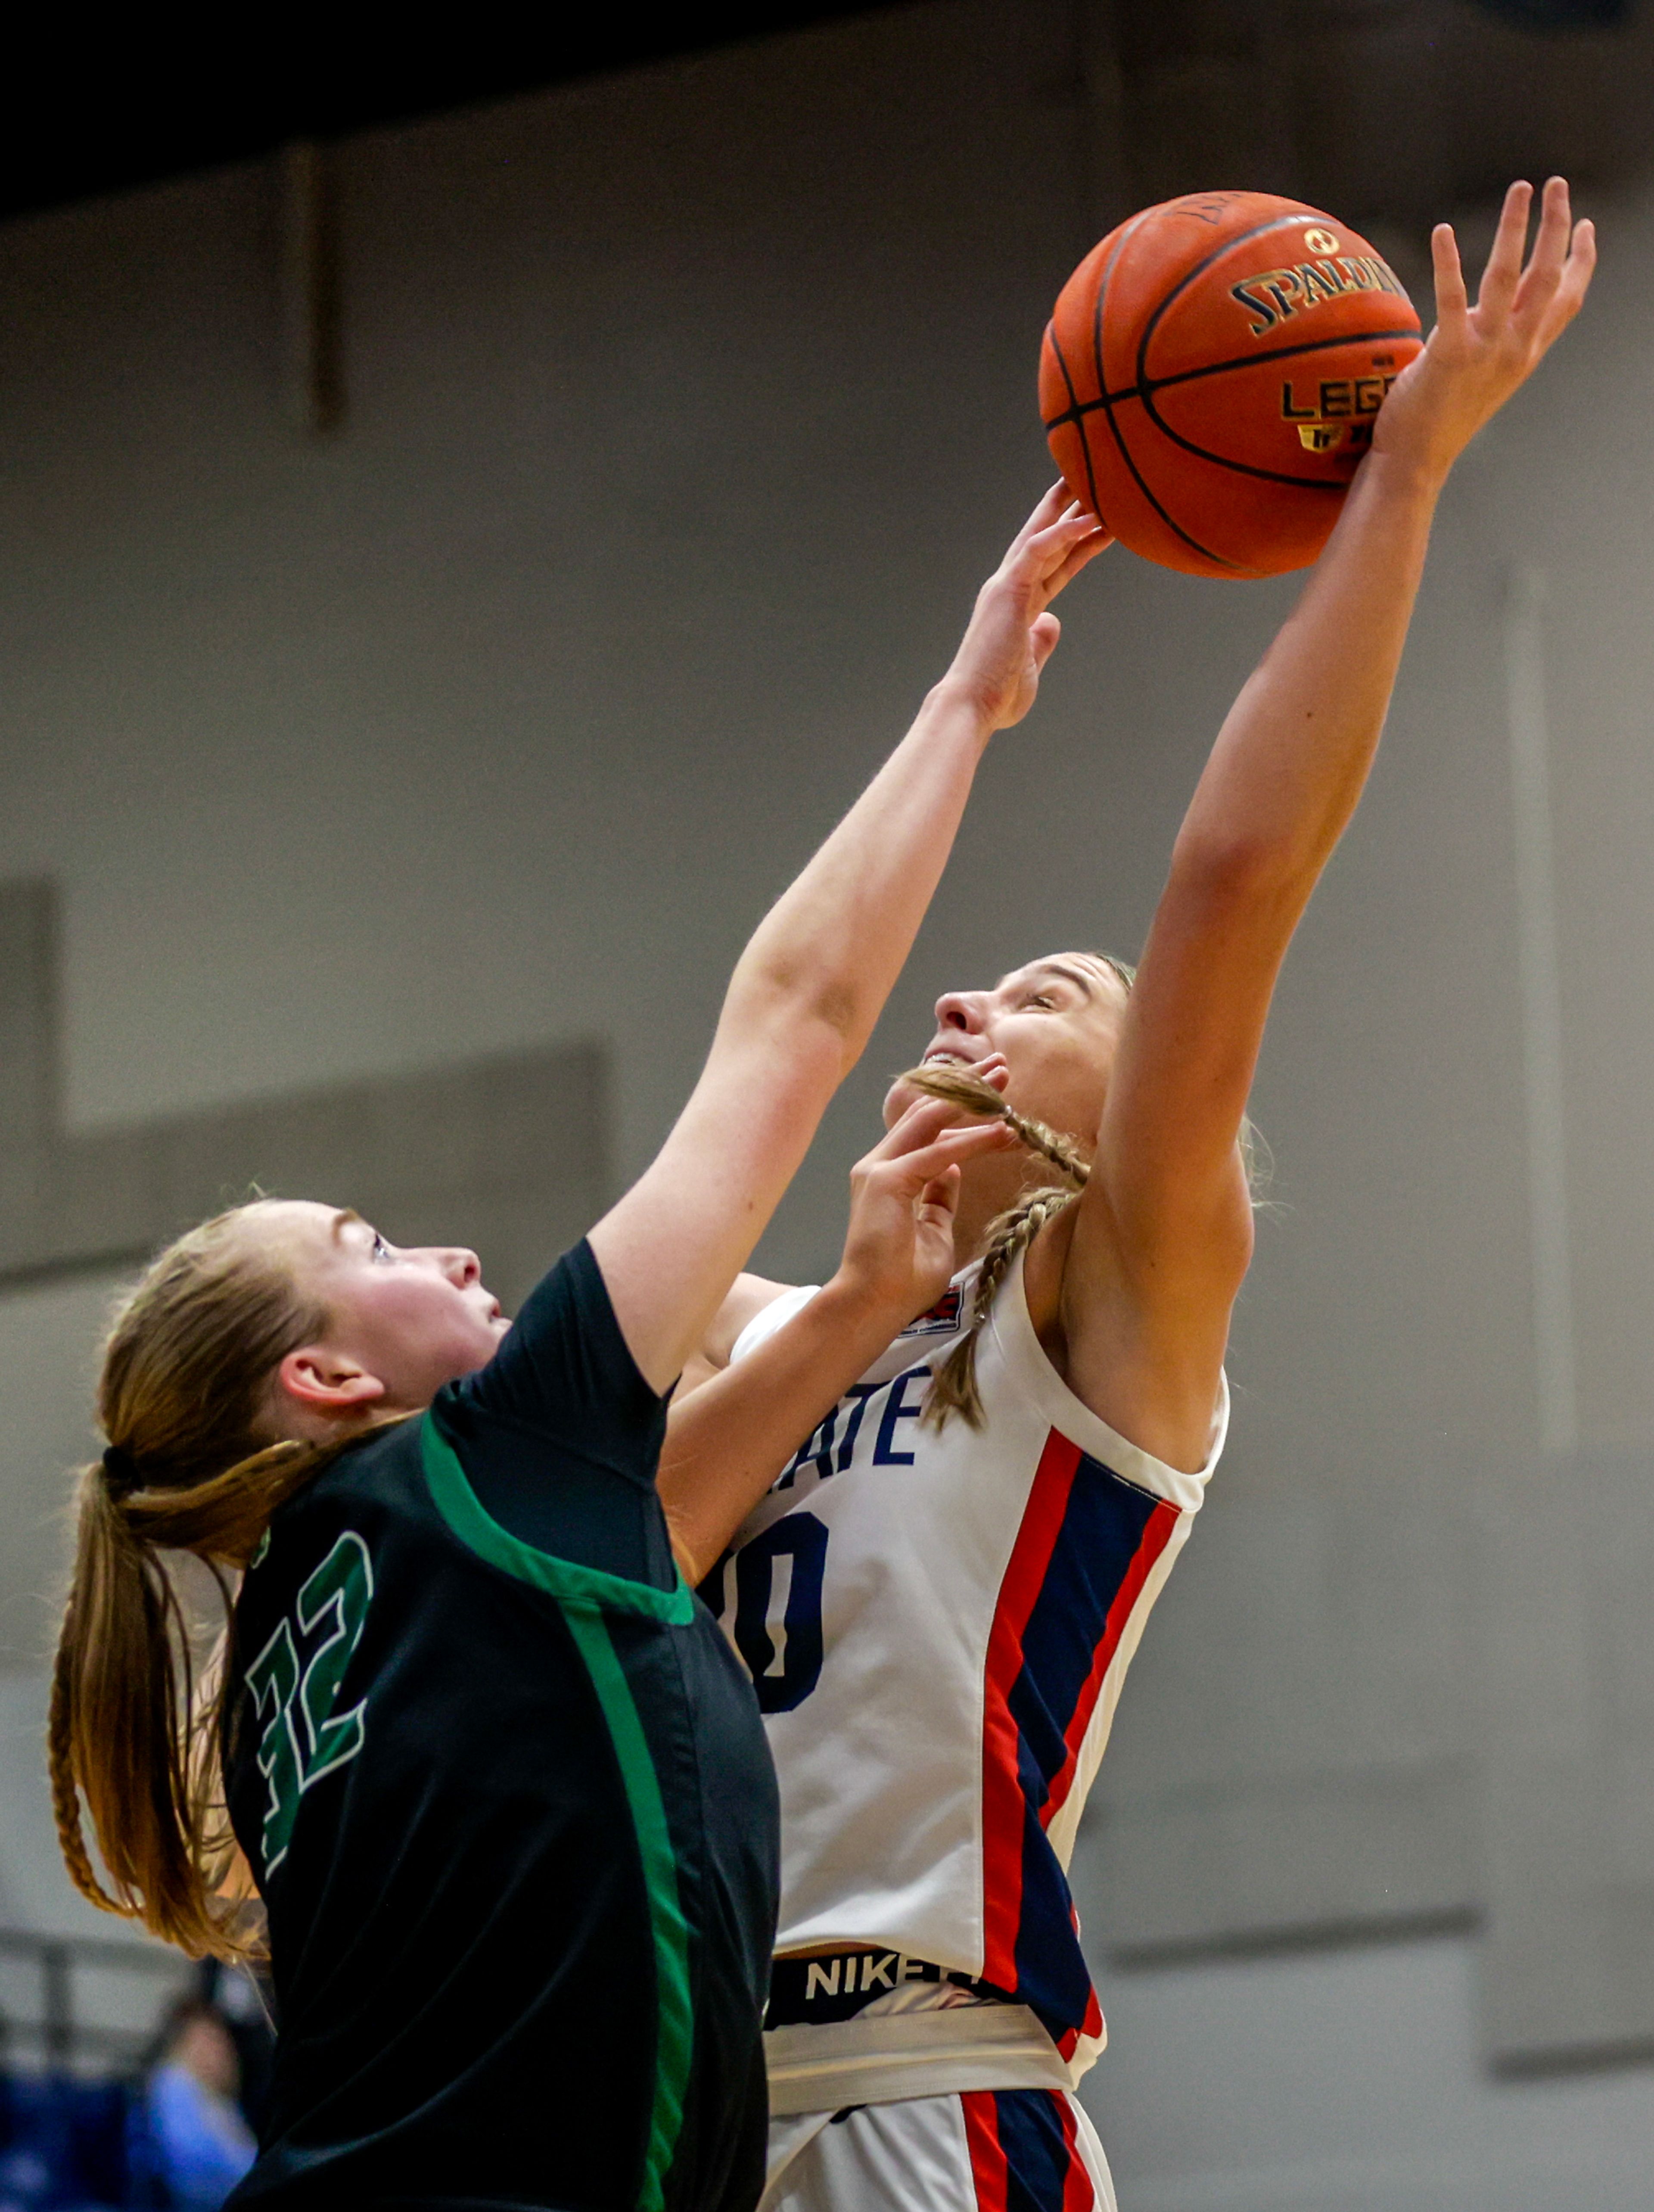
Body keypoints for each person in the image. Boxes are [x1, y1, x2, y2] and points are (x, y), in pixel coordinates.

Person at [658, 179, 1595, 2212]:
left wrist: (1403, 477)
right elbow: (766, 1042)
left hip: (930, 2083)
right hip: (673, 2113)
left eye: (1057, 991)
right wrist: (960, 696)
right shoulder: (760, 1329)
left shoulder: (1093, 1335)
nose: (977, 989)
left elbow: (1229, 883)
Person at [46, 488, 1107, 2212]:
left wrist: (845, 1311)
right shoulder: (473, 1462)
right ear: (323, 1379)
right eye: (366, 1247)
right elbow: (797, 1018)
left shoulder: (297, 1657)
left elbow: (647, 1541)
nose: (448, 1248)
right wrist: (963, 699)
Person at [140, 1998, 258, 2212]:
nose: (219, 2049)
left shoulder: (217, 2095)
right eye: (207, 2039)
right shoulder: (175, 2082)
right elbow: (189, 2152)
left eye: (220, 2040)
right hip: (197, 2193)